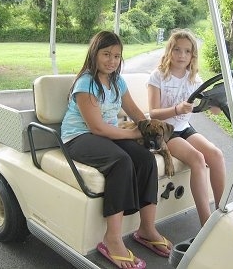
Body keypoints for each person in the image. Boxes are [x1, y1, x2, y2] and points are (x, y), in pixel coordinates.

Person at [61, 31, 171, 269]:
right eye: (106, 54)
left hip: (107, 135)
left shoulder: (118, 82)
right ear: (95, 54)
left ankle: (146, 228)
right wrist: (134, 133)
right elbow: (98, 128)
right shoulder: (85, 83)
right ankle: (112, 239)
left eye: (117, 56)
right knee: (121, 162)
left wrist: (150, 130)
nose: (112, 60)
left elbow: (136, 115)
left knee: (145, 159)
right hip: (79, 138)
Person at [147, 29, 232, 226]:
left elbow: (215, 110)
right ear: (169, 51)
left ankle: (222, 213)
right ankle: (206, 223)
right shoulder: (158, 76)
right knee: (198, 159)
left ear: (192, 55)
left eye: (187, 51)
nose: (181, 55)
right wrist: (177, 109)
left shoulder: (194, 79)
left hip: (184, 128)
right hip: (166, 132)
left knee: (216, 154)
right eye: (177, 50)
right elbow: (153, 113)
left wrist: (225, 97)